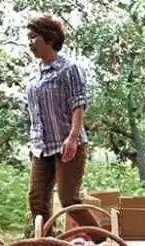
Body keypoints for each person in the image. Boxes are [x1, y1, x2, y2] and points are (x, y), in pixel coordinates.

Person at [25, 14, 99, 231]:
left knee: (69, 200)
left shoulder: (69, 69)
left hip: (66, 143)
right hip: (41, 147)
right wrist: (32, 143)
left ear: (49, 37)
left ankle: (105, 244)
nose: (30, 43)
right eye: (28, 38)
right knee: (37, 200)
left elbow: (78, 104)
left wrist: (73, 137)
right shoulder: (34, 75)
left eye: (34, 37)